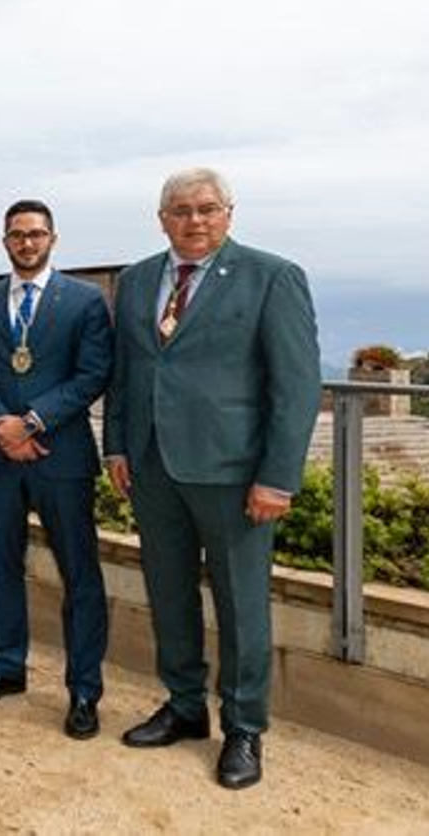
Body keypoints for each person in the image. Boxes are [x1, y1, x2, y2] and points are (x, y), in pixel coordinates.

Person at [104, 168, 320, 790]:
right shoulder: (140, 278)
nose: (194, 220)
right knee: (168, 593)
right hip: (151, 469)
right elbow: (127, 371)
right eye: (180, 210)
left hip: (233, 475)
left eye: (206, 209)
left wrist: (277, 478)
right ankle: (184, 706)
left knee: (242, 606)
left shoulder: (272, 277)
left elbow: (297, 386)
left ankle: (245, 728)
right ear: (161, 218)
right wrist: (117, 444)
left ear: (229, 213)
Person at [0, 201, 113, 739]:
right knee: (1, 566)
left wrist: (33, 421)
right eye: (18, 235)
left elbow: (92, 374)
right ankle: (6, 666)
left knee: (80, 574)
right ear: (4, 242)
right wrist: (3, 423)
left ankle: (84, 691)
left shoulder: (86, 301)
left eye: (37, 234)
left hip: (61, 458)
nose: (27, 243)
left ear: (53, 239)